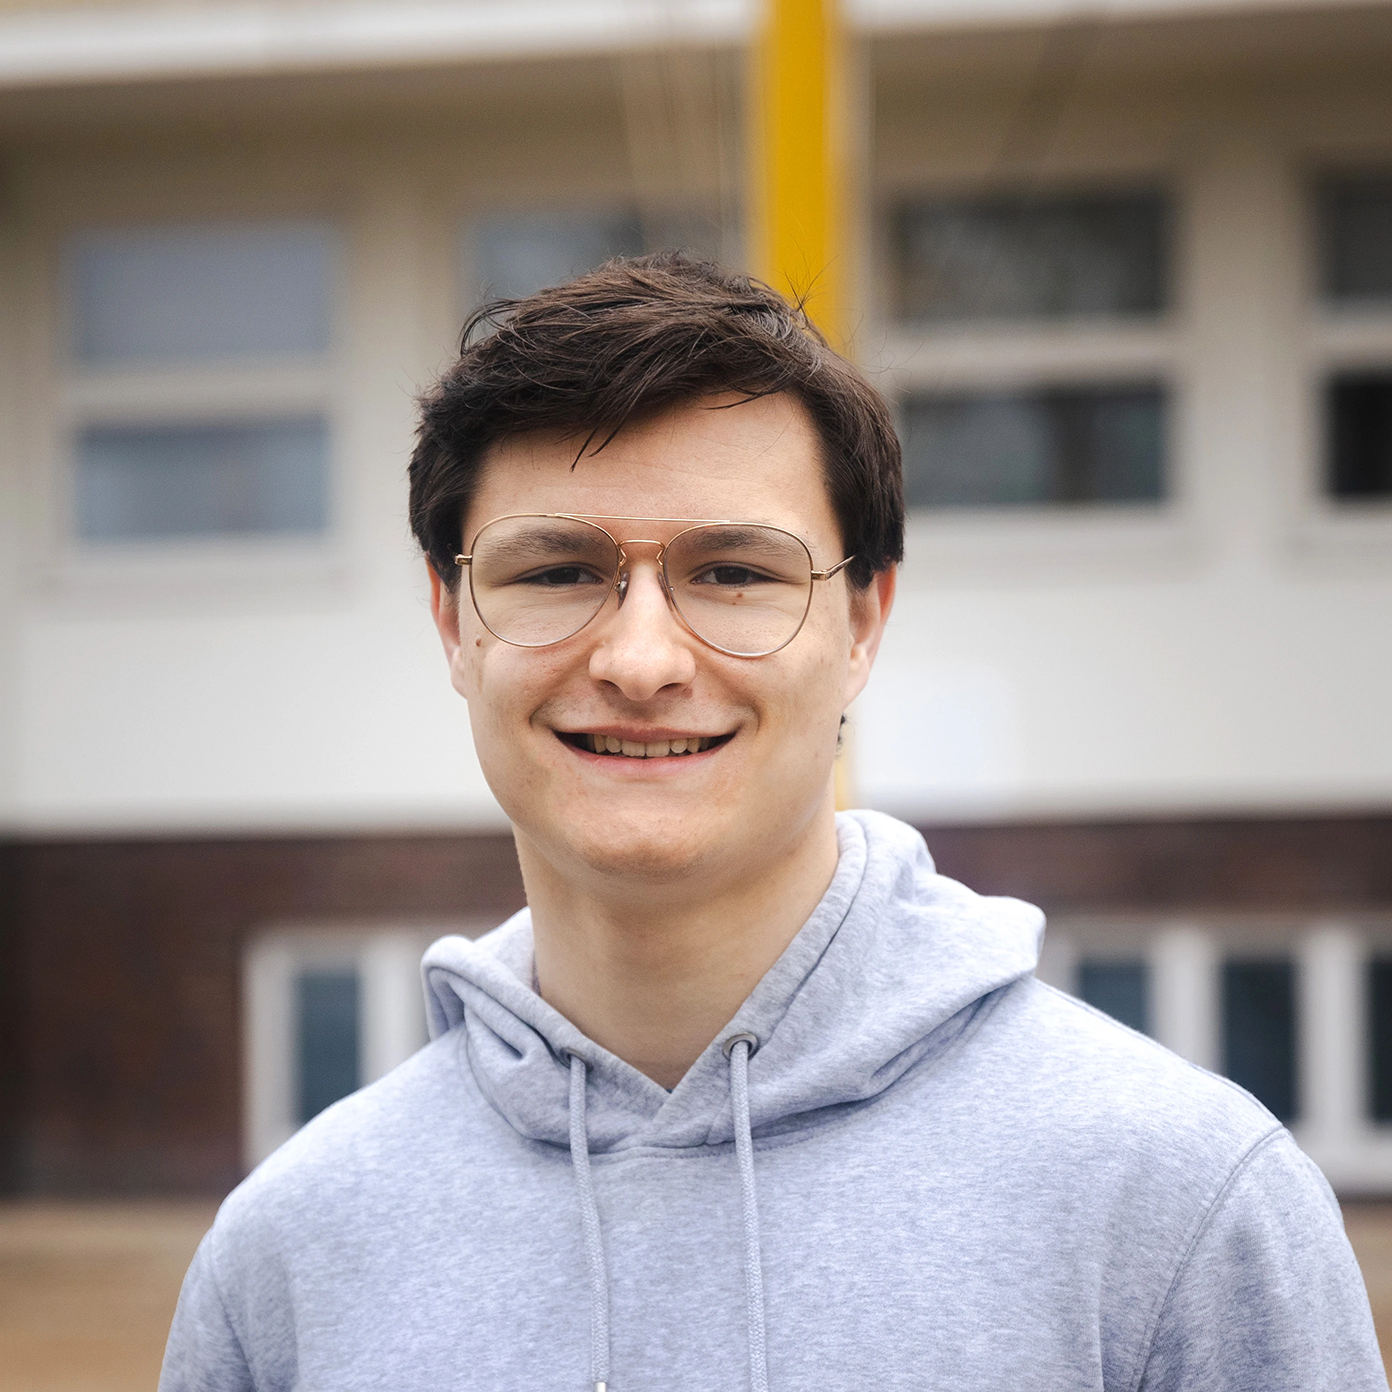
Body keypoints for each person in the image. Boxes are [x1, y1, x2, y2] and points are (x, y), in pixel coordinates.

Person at [160, 254, 1387, 1391]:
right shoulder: (288, 1260)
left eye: (735, 571)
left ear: (861, 626)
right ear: (451, 624)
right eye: (556, 571)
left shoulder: (1180, 1205)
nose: (641, 658)